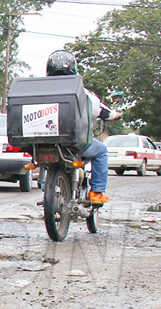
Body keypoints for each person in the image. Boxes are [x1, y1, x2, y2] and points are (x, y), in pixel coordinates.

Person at [45, 49, 120, 205]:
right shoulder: (82, 92)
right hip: (74, 144)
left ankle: (44, 185)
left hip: (44, 141)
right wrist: (116, 115)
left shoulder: (37, 89)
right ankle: (97, 192)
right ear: (73, 68)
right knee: (101, 151)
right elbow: (103, 112)